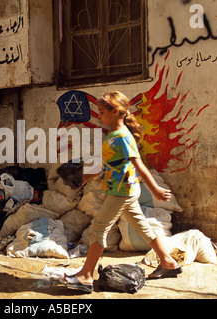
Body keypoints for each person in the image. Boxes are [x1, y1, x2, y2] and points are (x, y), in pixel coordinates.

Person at [63, 91, 182, 293]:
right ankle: (168, 262)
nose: (99, 116)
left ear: (115, 111)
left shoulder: (122, 137)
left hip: (121, 192)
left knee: (98, 228)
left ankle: (85, 276)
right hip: (124, 191)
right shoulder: (113, 136)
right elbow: (105, 166)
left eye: (101, 112)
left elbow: (139, 165)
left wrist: (155, 190)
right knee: (142, 227)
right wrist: (84, 178)